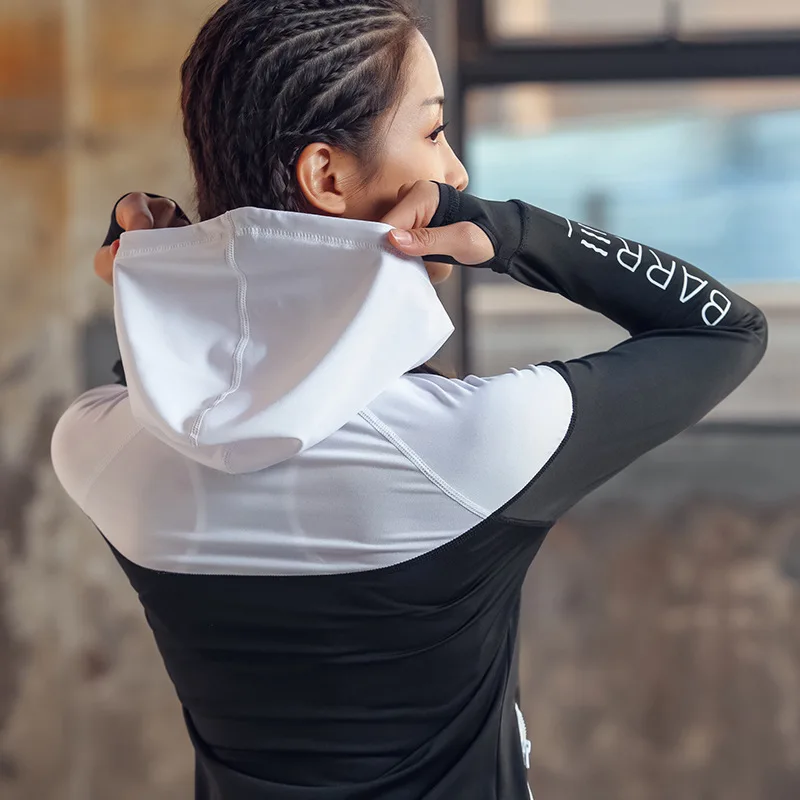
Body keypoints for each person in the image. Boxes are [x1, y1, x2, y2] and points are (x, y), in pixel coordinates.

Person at [51, 1, 768, 798]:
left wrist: (165, 280)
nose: (456, 172)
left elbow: (171, 388)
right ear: (327, 177)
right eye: (432, 132)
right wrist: (510, 231)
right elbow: (724, 330)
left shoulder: (99, 449)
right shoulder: (470, 446)